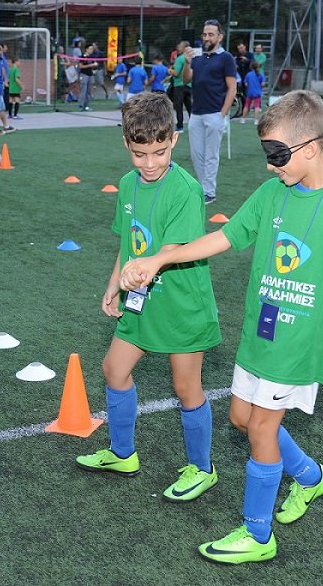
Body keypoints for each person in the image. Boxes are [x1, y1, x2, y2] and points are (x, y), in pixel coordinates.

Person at [119, 90, 323, 565]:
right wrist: (160, 257)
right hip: (260, 333)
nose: (270, 166)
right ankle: (309, 476)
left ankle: (257, 534)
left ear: (310, 147)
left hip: (300, 341)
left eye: (276, 155)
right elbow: (221, 238)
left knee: (262, 429)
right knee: (242, 419)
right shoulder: (271, 194)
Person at [76, 92, 222, 506]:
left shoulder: (187, 189)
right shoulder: (127, 184)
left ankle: (202, 468)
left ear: (173, 140)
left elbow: (169, 250)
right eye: (140, 154)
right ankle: (123, 454)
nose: (150, 162)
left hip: (181, 306)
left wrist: (143, 268)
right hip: (141, 299)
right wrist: (113, 284)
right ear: (127, 144)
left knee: (186, 386)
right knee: (113, 370)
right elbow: (129, 243)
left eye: (159, 151)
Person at [182, 19, 237, 205]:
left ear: (220, 37)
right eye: (204, 34)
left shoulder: (226, 58)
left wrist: (222, 113)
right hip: (195, 113)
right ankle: (202, 188)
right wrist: (187, 63)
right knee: (197, 154)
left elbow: (232, 88)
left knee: (211, 155)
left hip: (215, 113)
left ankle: (209, 192)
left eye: (211, 34)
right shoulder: (196, 57)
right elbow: (185, 80)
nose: (207, 37)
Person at [168, 41, 192, 132]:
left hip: (179, 85)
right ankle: (195, 124)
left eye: (180, 46)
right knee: (189, 106)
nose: (178, 47)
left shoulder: (180, 59)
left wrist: (170, 70)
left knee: (179, 106)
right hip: (188, 85)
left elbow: (176, 73)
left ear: (185, 48)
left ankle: (180, 126)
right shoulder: (191, 59)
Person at [77, 43, 98, 111]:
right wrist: (91, 65)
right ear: (86, 49)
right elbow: (81, 66)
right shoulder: (82, 57)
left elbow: (93, 65)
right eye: (90, 48)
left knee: (89, 91)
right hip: (84, 75)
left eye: (92, 49)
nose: (91, 50)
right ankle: (80, 106)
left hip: (90, 75)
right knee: (83, 90)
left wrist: (94, 66)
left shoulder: (91, 57)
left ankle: (86, 106)